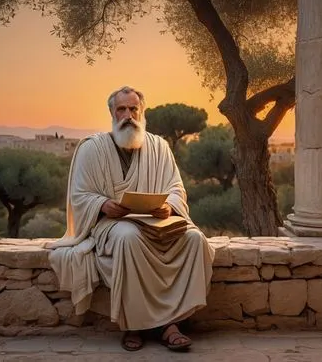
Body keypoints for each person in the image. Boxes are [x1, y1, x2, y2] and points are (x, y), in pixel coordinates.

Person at [48, 86, 215, 352]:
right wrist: (102, 204)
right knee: (129, 237)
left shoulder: (159, 147)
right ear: (112, 113)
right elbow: (79, 195)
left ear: (142, 111)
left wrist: (169, 207)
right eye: (121, 109)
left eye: (133, 108)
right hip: (112, 226)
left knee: (195, 239)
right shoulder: (92, 149)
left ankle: (172, 322)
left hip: (156, 223)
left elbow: (176, 188)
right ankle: (135, 325)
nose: (128, 115)